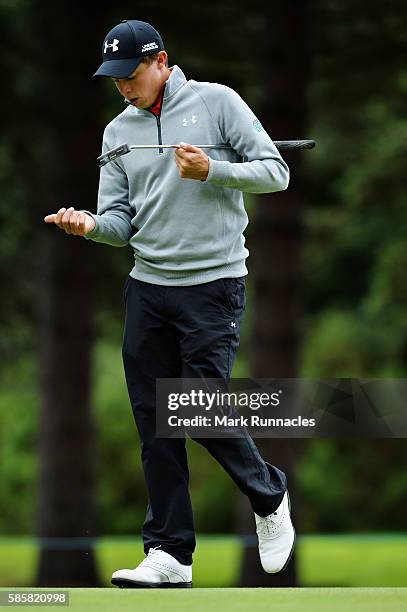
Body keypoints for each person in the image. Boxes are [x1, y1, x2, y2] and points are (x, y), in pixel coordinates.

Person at [44, 19, 295, 589]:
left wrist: (214, 169)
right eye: (115, 80)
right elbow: (120, 222)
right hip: (149, 287)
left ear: (161, 61)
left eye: (130, 76)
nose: (123, 88)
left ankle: (269, 493)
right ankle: (169, 555)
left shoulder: (218, 103)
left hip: (213, 285)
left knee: (198, 409)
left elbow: (275, 172)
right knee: (154, 425)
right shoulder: (117, 133)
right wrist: (88, 226)